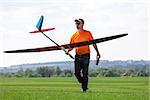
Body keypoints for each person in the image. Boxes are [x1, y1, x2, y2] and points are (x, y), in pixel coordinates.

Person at [67, 18, 100, 92]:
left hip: (86, 55)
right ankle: (84, 83)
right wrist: (67, 51)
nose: (77, 24)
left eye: (78, 23)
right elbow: (71, 46)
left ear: (82, 24)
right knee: (76, 73)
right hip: (77, 56)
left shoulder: (88, 33)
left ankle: (84, 89)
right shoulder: (74, 35)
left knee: (85, 73)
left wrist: (97, 52)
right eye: (76, 23)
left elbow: (93, 43)